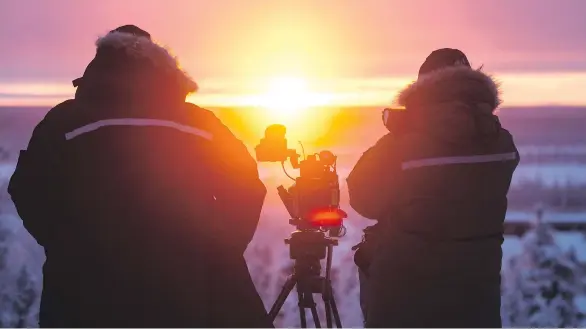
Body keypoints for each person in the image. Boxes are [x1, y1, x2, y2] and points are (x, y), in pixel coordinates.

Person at [8, 25, 271, 328]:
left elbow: (28, 188)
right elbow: (246, 185)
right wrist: (218, 248)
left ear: (100, 66)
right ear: (161, 69)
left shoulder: (65, 121)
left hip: (83, 296)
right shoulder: (200, 123)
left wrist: (66, 244)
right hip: (188, 293)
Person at [348, 48, 519, 327]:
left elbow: (363, 200)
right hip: (476, 302)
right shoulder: (502, 145)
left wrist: (401, 130)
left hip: (406, 301)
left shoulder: (401, 147)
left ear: (423, 90)